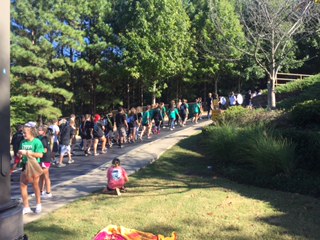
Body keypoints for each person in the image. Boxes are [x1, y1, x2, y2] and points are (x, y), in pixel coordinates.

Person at [18, 121, 44, 214]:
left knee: (35, 185)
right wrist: (19, 155)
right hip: (25, 165)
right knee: (22, 185)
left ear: (31, 132)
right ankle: (26, 207)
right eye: (23, 132)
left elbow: (40, 155)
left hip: (33, 166)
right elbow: (20, 154)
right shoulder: (23, 142)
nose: (23, 134)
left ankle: (38, 204)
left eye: (25, 133)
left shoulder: (37, 142)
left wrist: (28, 153)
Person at [37, 125, 52, 198]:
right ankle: (40, 191)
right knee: (41, 175)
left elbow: (45, 149)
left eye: (40, 130)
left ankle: (48, 192)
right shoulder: (39, 138)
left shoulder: (44, 139)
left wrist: (37, 153)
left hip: (45, 158)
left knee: (46, 175)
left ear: (43, 131)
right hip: (41, 159)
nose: (38, 131)